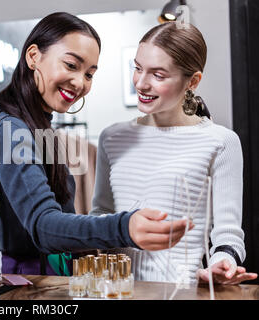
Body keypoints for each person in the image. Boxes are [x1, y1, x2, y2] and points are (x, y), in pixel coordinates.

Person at [0, 12, 191, 276]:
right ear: (33, 56)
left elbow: (61, 218)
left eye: (89, 74)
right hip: (28, 285)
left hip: (51, 277)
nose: (80, 82)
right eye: (71, 65)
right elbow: (43, 226)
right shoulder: (9, 131)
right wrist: (124, 227)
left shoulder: (39, 128)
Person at [91, 22, 257, 284]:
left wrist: (221, 264)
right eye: (137, 68)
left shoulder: (221, 142)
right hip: (117, 291)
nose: (141, 84)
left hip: (182, 291)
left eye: (158, 75)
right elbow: (100, 215)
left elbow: (227, 236)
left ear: (192, 81)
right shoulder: (111, 137)